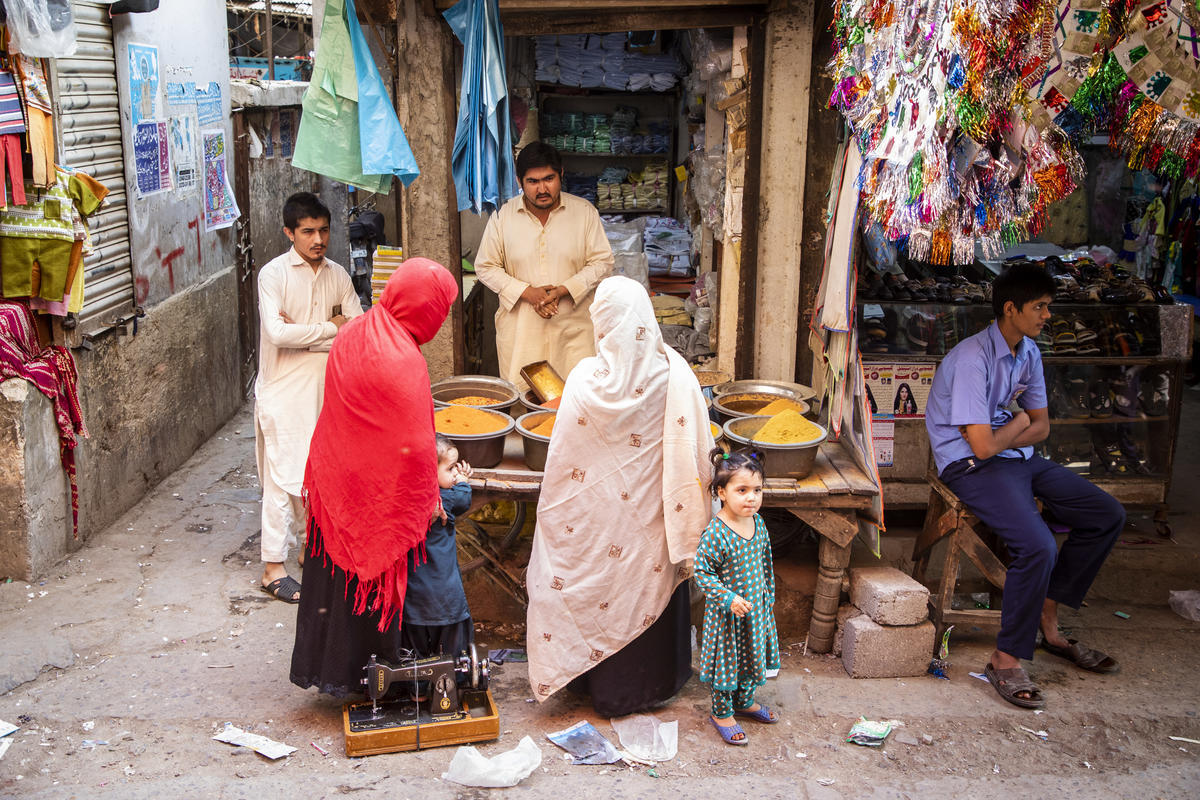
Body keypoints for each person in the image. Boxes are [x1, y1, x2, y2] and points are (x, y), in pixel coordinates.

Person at [925, 262, 1124, 710]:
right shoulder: (973, 358)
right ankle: (1005, 657)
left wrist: (1010, 431)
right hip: (968, 468)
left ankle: (1047, 616)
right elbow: (979, 447)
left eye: (1048, 307)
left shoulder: (1027, 352)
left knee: (1106, 515)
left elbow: (1042, 428)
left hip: (1015, 459)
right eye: (1040, 307)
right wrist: (1016, 422)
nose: (1046, 315)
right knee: (1038, 546)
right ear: (1010, 309)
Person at [525, 275, 714, 716]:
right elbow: (697, 451)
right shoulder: (676, 374)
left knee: (590, 588)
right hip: (652, 529)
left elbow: (563, 467)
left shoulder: (584, 381)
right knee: (644, 588)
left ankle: (587, 681)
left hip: (591, 532)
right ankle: (644, 688)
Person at [290, 258, 457, 697]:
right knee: (369, 583)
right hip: (374, 490)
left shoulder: (355, 331)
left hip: (336, 476)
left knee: (334, 583)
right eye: (440, 309)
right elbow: (417, 445)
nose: (440, 319)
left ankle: (331, 672)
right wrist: (430, 494)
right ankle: (371, 680)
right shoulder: (404, 358)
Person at [254, 192, 361, 603]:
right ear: (289, 233)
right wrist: (329, 328)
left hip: (325, 389)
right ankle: (271, 568)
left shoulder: (338, 275)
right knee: (283, 478)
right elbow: (276, 336)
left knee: (319, 475)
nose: (318, 239)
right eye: (308, 232)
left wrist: (309, 333)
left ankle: (309, 551)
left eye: (323, 230)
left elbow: (357, 326)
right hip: (282, 389)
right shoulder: (273, 275)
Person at [474, 142, 613, 389]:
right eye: (533, 181)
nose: (542, 189)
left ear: (561, 173)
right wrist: (529, 293)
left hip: (573, 332)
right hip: (522, 333)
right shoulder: (502, 216)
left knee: (576, 404)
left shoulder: (584, 213)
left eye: (549, 179)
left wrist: (563, 290)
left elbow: (603, 262)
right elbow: (485, 266)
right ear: (519, 181)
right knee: (523, 403)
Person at [696, 448, 781, 746]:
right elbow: (702, 572)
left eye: (757, 490)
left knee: (752, 656)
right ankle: (721, 713)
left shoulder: (759, 524)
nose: (751, 498)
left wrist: (767, 597)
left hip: (756, 611)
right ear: (721, 492)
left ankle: (744, 702)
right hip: (727, 618)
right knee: (727, 664)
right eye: (742, 490)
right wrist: (728, 598)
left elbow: (765, 562)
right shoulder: (716, 532)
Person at [399, 435, 475, 659]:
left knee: (414, 654)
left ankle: (418, 693)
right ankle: (449, 685)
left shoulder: (405, 498)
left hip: (412, 598)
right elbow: (463, 499)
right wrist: (462, 480)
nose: (454, 472)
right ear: (428, 472)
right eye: (450, 468)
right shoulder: (445, 501)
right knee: (450, 655)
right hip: (444, 597)